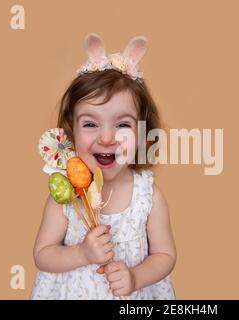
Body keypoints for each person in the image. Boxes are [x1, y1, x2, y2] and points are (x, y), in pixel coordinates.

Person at [31, 33, 176, 299]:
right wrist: (81, 253)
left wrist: (135, 277)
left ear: (142, 134)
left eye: (122, 124)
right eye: (90, 124)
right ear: (71, 132)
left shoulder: (147, 196)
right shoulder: (67, 196)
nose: (107, 138)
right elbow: (43, 254)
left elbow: (165, 255)